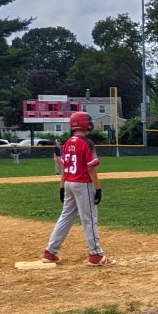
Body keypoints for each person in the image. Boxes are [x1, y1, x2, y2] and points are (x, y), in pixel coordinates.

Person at [43, 111, 114, 266]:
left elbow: (65, 166)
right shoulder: (87, 142)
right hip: (83, 184)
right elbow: (91, 169)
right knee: (89, 219)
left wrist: (61, 186)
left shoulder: (68, 142)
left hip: (68, 182)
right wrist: (98, 188)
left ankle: (50, 252)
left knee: (66, 216)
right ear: (85, 124)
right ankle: (95, 255)